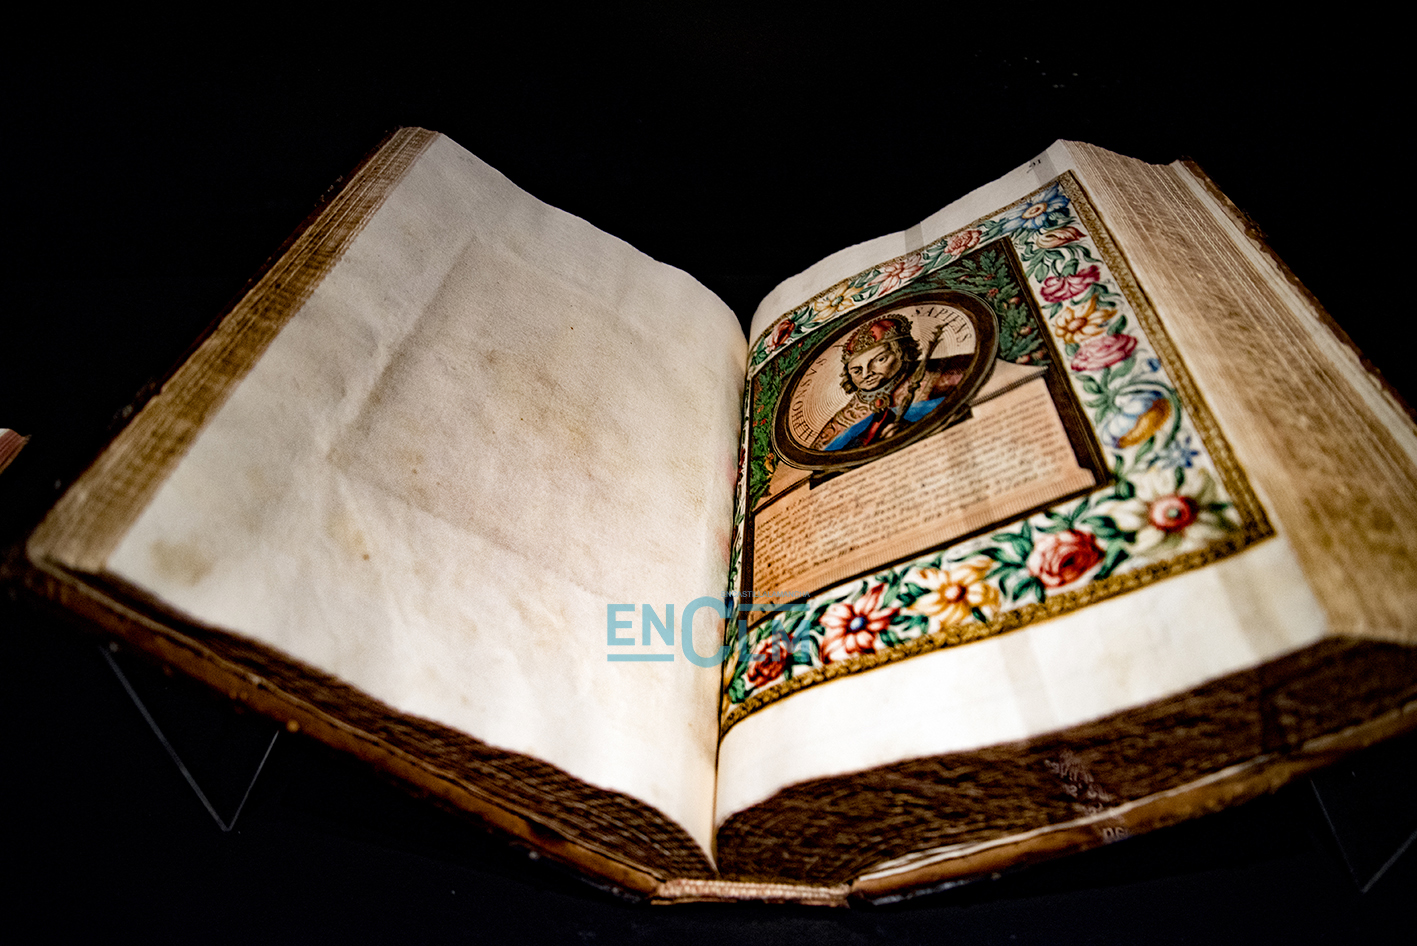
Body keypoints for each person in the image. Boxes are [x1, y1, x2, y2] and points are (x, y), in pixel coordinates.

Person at [810, 316, 974, 452]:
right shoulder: (847, 416)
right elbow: (825, 456)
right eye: (857, 370)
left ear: (901, 351)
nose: (867, 374)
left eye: (880, 359)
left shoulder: (938, 376)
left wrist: (912, 428)